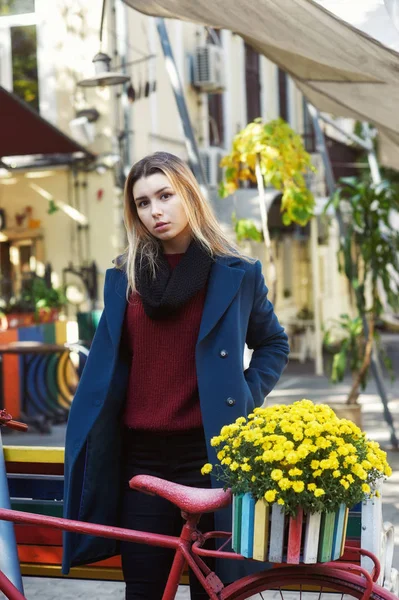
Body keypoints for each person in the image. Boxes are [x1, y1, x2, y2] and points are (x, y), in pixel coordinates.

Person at [62, 151, 290, 599]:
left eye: (165, 195)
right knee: (145, 589)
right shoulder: (123, 277)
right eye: (143, 203)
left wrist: (244, 394)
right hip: (140, 462)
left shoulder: (237, 274)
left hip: (210, 457)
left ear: (188, 194)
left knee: (216, 590)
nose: (155, 211)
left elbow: (273, 343)